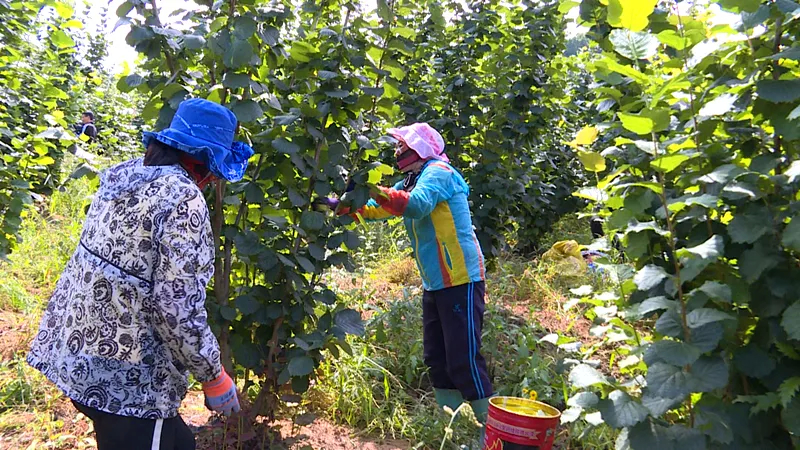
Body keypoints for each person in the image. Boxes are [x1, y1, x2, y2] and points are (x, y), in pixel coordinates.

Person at [27, 98, 254, 450]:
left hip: (77, 355)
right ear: (204, 164)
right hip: (129, 384)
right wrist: (214, 376)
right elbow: (175, 308)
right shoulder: (183, 199)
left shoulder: (124, 175)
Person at [327, 123, 493, 423]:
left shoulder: (439, 173)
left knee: (464, 358)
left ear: (419, 149)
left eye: (401, 145)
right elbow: (380, 209)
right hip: (435, 281)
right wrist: (345, 205)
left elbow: (415, 206)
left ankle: (491, 430)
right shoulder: (413, 179)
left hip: (461, 279)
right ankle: (450, 427)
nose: (396, 150)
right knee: (436, 358)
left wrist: (372, 188)